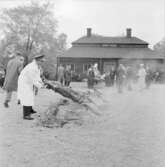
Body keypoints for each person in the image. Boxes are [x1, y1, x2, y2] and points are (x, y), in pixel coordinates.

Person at [17, 54, 45, 120]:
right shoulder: (32, 67)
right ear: (37, 60)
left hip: (28, 82)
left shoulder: (36, 66)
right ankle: (26, 115)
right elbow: (33, 79)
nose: (42, 63)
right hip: (24, 82)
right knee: (27, 97)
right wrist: (41, 86)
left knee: (30, 95)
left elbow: (37, 76)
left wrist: (42, 82)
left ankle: (30, 109)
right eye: (41, 61)